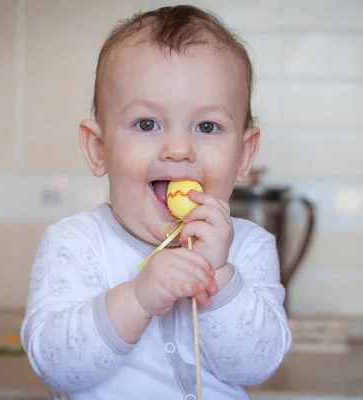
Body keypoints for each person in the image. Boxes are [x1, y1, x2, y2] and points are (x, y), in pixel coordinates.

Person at [21, 5, 292, 400]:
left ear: (244, 156)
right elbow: (54, 365)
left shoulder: (250, 247)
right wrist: (137, 298)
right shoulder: (74, 244)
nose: (179, 149)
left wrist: (220, 273)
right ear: (99, 149)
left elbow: (257, 365)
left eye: (207, 126)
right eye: (147, 124)